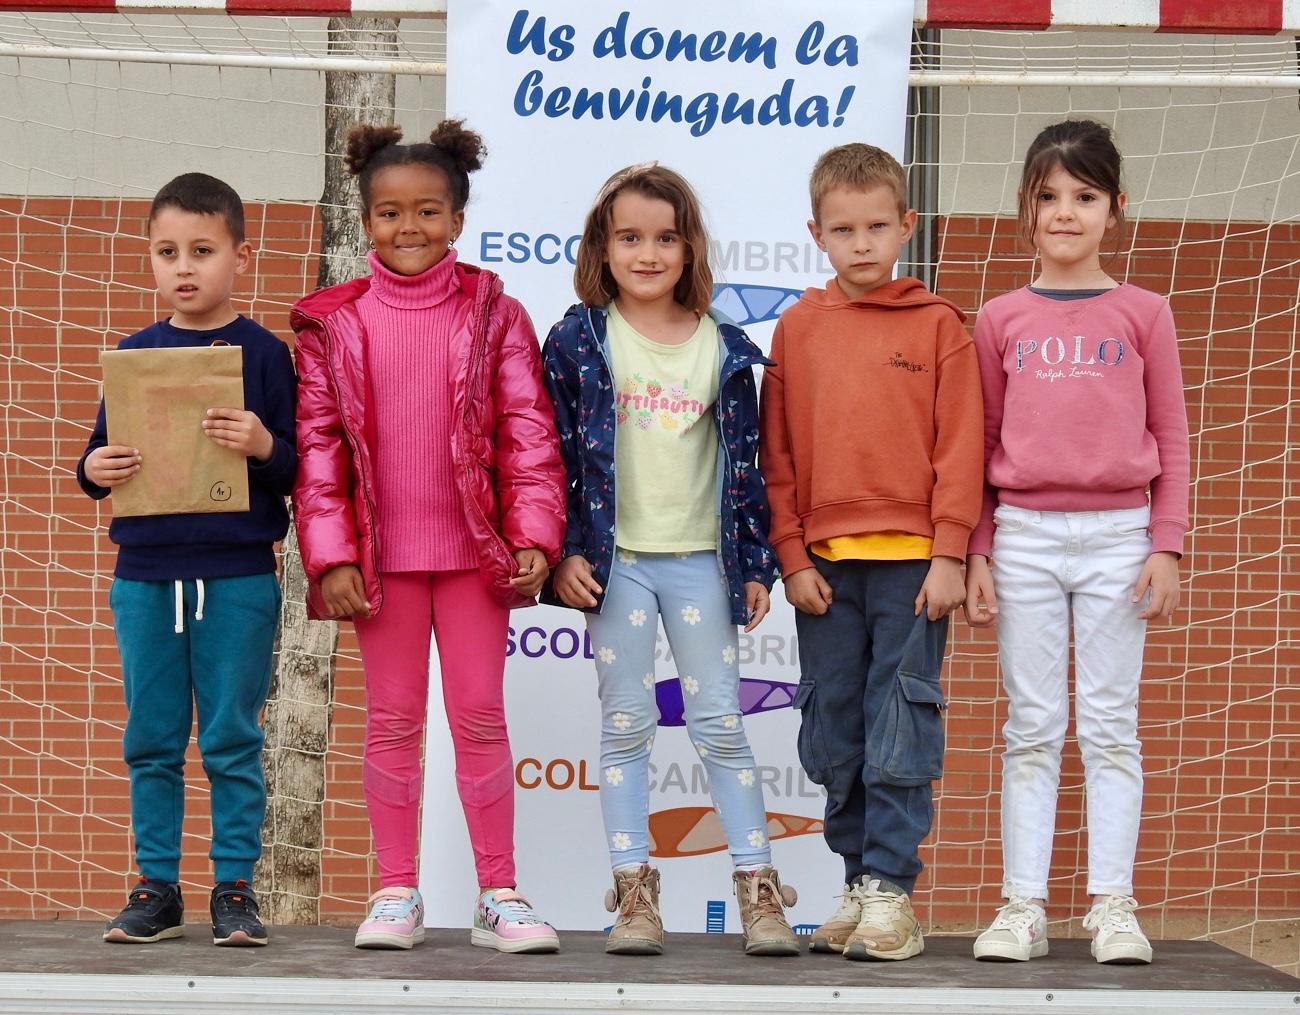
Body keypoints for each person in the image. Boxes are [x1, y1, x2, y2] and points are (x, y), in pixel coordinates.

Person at [291, 120, 566, 954]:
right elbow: (318, 447)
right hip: (382, 566)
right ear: (365, 220)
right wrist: (333, 555)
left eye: (427, 211)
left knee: (480, 716)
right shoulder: (334, 325)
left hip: (476, 560)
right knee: (392, 720)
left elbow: (527, 430)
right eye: (390, 212)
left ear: (457, 218)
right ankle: (395, 889)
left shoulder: (498, 314)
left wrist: (533, 533)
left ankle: (498, 893)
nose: (408, 227)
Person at [541, 163, 797, 957]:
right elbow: (551, 455)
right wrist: (561, 553)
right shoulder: (578, 340)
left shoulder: (725, 347)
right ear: (603, 247)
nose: (647, 254)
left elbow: (746, 465)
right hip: (615, 564)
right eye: (630, 238)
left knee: (720, 723)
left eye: (665, 238)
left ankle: (758, 888)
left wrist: (755, 563)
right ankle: (634, 892)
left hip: (700, 563)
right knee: (625, 726)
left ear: (689, 250)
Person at [966, 119, 1189, 966]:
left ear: (1115, 208)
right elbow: (983, 441)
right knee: (1032, 725)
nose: (1066, 212)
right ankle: (1022, 905)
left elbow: (1173, 436)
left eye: (1085, 196)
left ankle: (1112, 903)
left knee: (1110, 725)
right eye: (1049, 196)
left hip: (1119, 540)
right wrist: (979, 549)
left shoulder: (1145, 313)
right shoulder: (999, 318)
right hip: (1023, 538)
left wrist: (1165, 542)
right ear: (1025, 206)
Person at [760, 143, 984, 961]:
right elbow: (776, 455)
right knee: (837, 726)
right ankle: (856, 880)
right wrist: (791, 556)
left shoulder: (938, 325)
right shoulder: (797, 328)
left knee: (901, 721)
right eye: (844, 229)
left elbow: (961, 445)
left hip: (914, 566)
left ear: (906, 226)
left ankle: (893, 889)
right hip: (824, 571)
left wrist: (950, 551)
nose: (862, 243)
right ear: (815, 233)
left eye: (877, 227)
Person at [78, 172, 297, 946]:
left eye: (202, 250)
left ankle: (234, 886)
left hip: (238, 577)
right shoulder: (134, 355)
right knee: (152, 737)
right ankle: (156, 886)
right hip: (144, 578)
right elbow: (96, 461)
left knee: (232, 736)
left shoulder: (264, 354)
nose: (184, 267)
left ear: (241, 255)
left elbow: (297, 467)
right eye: (167, 251)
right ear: (149, 257)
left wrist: (262, 443)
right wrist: (95, 467)